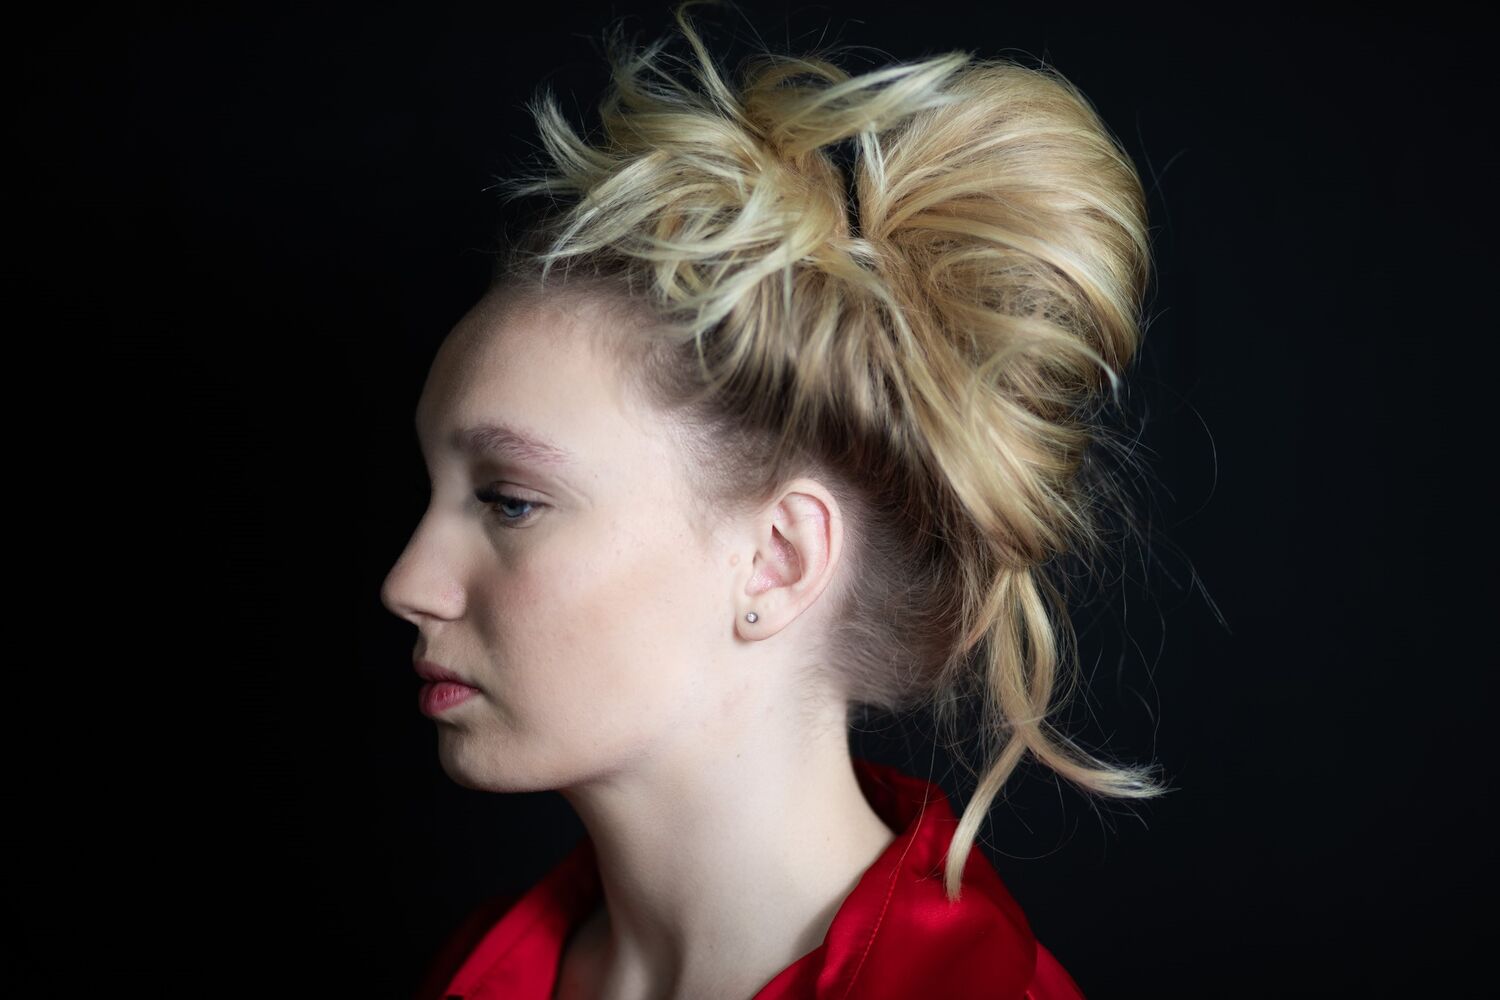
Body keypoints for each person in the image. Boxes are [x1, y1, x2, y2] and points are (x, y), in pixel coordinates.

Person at [381, 2, 1172, 997]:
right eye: (436, 494)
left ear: (777, 560)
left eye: (508, 502)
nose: (406, 582)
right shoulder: (480, 969)